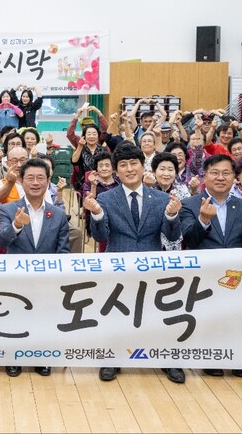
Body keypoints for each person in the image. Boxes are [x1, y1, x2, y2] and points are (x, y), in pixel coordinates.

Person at [83, 145, 183, 384]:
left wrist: (172, 216)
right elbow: (100, 235)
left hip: (152, 266)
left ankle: (168, 359)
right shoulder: (105, 198)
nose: (129, 169)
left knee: (158, 313)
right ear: (116, 171)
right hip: (118, 265)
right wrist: (96, 214)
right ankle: (111, 359)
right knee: (115, 313)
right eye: (123, 165)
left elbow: (171, 236)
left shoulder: (161, 198)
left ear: (142, 166)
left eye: (133, 163)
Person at [179, 154, 242, 378]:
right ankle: (213, 357)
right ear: (205, 176)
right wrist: (203, 220)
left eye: (226, 173)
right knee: (209, 316)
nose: (220, 178)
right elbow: (189, 240)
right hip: (203, 273)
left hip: (234, 273)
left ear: (234, 178)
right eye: (215, 173)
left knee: (237, 315)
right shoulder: (190, 204)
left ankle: (239, 358)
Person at [0, 158, 69, 377]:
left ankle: (42, 357)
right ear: (21, 180)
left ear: (48, 181)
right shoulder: (8, 209)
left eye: (40, 178)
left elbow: (63, 251)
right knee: (14, 318)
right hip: (16, 278)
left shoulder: (58, 214)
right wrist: (17, 225)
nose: (35, 183)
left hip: (47, 280)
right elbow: (2, 241)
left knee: (44, 318)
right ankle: (13, 357)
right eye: (30, 178)